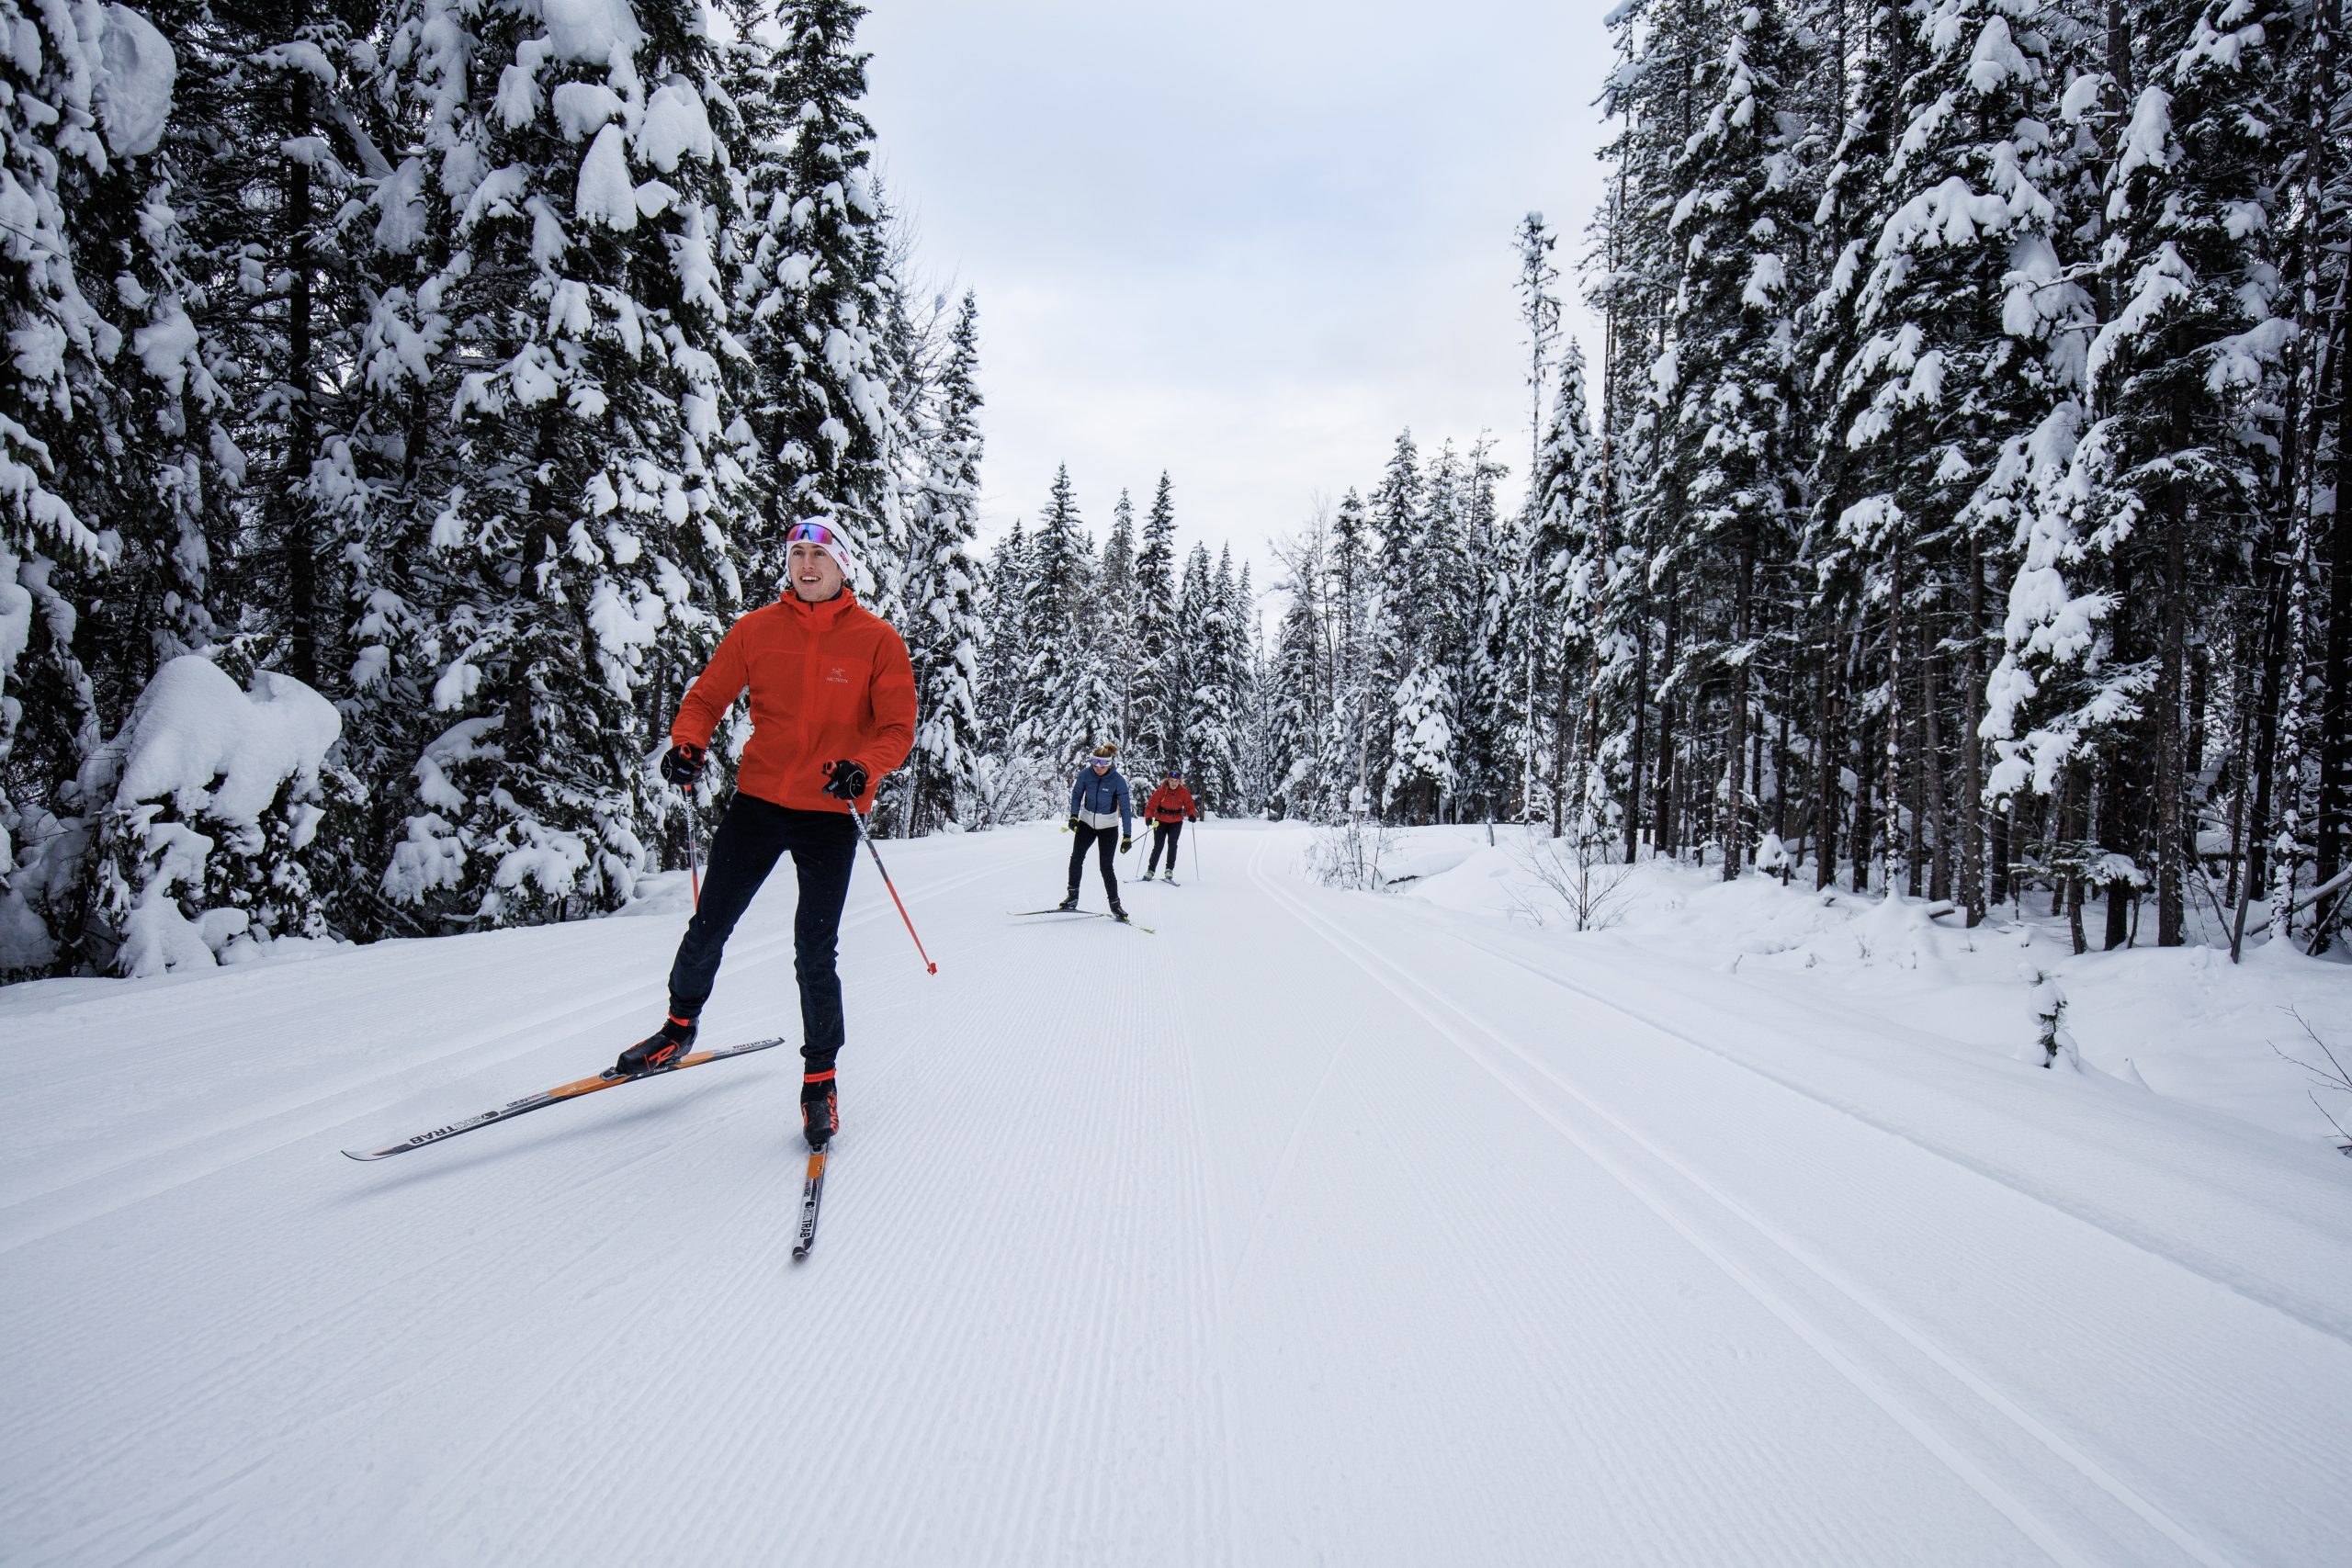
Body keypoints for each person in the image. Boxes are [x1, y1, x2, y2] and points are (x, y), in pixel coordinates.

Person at [616, 521, 917, 1152]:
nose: (806, 565)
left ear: (843, 566)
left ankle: (820, 1080)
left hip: (832, 810)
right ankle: (677, 1027)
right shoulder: (756, 630)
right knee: (709, 922)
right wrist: (687, 744)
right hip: (758, 800)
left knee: (815, 950)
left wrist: (866, 765)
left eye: (819, 555)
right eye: (797, 554)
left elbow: (896, 727)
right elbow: (705, 698)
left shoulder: (878, 641)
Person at [1058, 742, 1134, 920]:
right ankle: (1072, 897)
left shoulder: (1118, 781)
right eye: (1095, 763)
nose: (1098, 768)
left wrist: (1127, 836)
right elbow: (1077, 795)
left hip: (1108, 826)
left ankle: (1116, 905)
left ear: (1110, 764)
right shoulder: (1085, 774)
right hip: (1086, 822)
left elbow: (1125, 809)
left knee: (1106, 866)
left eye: (1103, 764)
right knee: (1076, 858)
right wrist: (1074, 817)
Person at [1137, 770, 1199, 881]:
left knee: (1172, 844)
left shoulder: (1184, 792)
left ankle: (1169, 870)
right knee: (1158, 846)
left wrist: (1192, 815)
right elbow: (1151, 805)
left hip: (1176, 822)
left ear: (1179, 781)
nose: (1174, 783)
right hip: (1160, 821)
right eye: (1172, 780)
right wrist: (1148, 817)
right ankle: (1150, 870)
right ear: (1168, 780)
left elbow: (1189, 805)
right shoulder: (1161, 791)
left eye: (1176, 781)